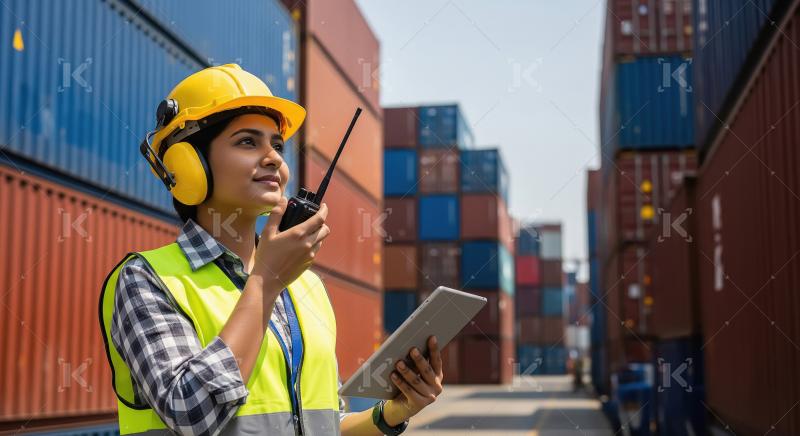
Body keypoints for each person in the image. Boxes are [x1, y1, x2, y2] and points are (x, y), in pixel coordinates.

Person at [99, 64, 444, 435]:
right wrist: (266, 281)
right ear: (188, 164)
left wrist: (392, 412)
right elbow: (190, 413)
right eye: (248, 142)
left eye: (277, 145)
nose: (274, 158)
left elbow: (320, 424)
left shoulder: (306, 286)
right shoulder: (146, 280)